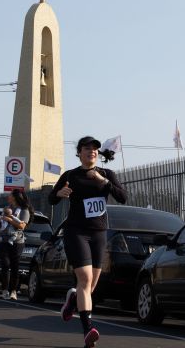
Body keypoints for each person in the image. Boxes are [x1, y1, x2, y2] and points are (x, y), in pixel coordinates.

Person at [49, 136, 127, 348]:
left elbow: (123, 197)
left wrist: (104, 182)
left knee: (90, 285)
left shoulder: (106, 174)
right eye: (87, 148)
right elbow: (51, 198)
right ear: (79, 152)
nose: (91, 152)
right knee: (84, 278)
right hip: (76, 231)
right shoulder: (71, 175)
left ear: (97, 154)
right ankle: (88, 329)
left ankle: (73, 300)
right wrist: (60, 192)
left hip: (99, 233)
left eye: (94, 149)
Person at [0, 188, 33, 300]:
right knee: (5, 264)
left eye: (10, 195)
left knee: (14, 266)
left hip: (17, 241)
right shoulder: (7, 209)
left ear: (15, 197)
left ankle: (13, 291)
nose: (8, 197)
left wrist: (9, 220)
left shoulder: (24, 210)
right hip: (3, 240)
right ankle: (4, 291)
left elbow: (22, 226)